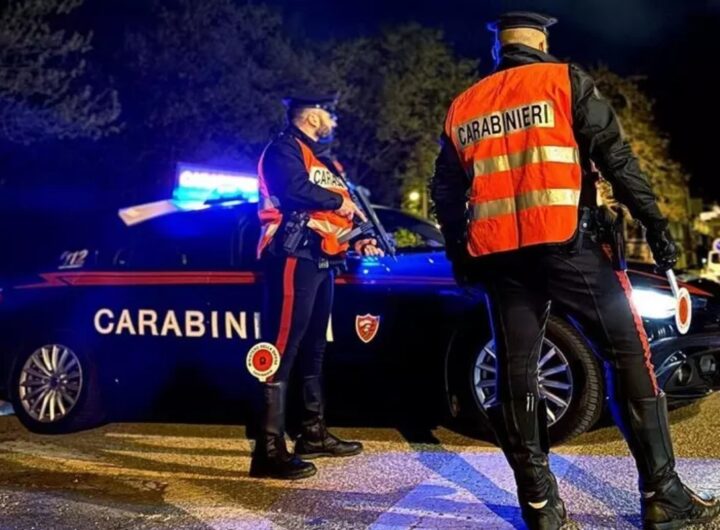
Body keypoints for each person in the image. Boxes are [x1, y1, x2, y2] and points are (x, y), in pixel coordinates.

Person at [430, 11, 720, 530]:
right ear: (541, 39)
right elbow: (616, 157)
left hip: (500, 258)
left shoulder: (465, 105)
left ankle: (540, 506)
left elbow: (446, 190)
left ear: (498, 48)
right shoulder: (562, 80)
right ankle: (663, 494)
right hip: (566, 245)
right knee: (628, 352)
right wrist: (655, 223)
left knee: (516, 371)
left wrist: (460, 254)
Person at [250, 92, 383, 480]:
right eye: (329, 114)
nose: (334, 121)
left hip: (323, 259)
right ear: (311, 117)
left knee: (314, 348)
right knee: (281, 347)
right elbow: (293, 189)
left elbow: (342, 209)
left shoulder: (323, 161)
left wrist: (361, 237)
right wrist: (336, 203)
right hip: (293, 256)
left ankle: (311, 433)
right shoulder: (283, 149)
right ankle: (267, 449)